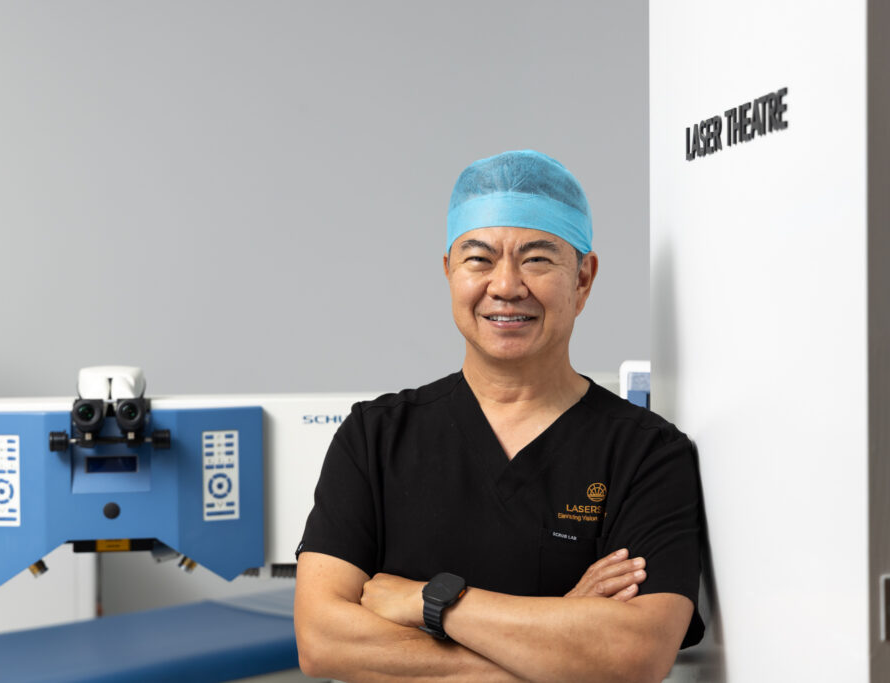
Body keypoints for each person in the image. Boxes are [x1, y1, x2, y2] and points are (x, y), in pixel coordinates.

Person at [294, 150, 703, 682]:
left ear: (583, 279)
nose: (506, 286)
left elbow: (634, 654)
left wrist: (430, 602)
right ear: (449, 272)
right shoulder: (374, 437)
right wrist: (558, 642)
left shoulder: (647, 454)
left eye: (537, 259)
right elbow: (322, 640)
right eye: (479, 259)